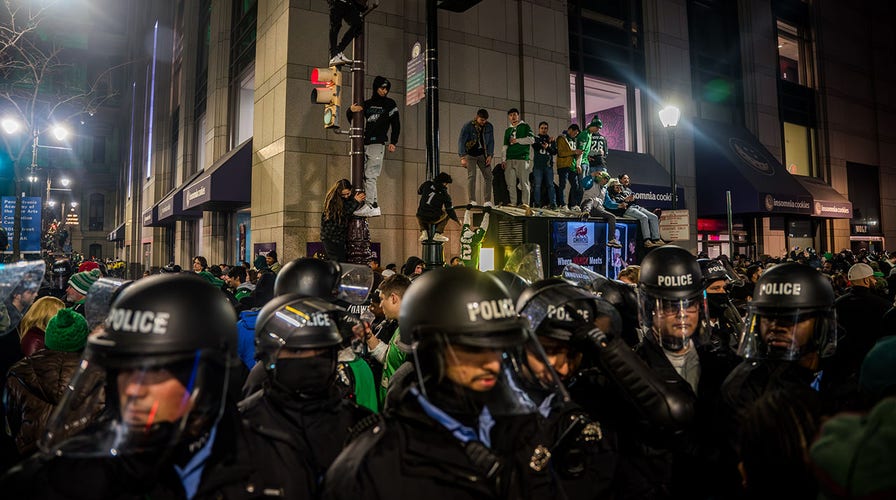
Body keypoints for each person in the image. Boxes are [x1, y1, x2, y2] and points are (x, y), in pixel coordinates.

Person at [323, 267, 569, 499]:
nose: (493, 364)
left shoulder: (522, 428)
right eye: (473, 350)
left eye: (500, 349)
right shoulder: (373, 464)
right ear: (430, 353)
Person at [1, 273, 255, 498]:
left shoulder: (269, 465)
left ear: (207, 376)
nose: (133, 389)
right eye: (122, 370)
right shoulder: (70, 472)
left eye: (155, 372)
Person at [717, 263, 840, 496]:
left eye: (791, 319)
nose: (776, 327)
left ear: (821, 323)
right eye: (768, 318)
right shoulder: (744, 385)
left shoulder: (842, 375)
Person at [634, 245, 741, 498]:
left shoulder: (720, 360)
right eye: (670, 306)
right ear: (651, 309)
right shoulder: (635, 366)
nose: (682, 314)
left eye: (689, 304)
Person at [239, 294, 372, 497]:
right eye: (298, 352)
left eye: (322, 351)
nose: (312, 361)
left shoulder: (361, 426)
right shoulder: (242, 428)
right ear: (271, 357)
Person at [5, 308, 101, 457]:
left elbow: (12, 420)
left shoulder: (19, 372)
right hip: (79, 459)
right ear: (83, 340)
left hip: (30, 457)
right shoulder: (100, 376)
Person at [349, 75, 400, 218]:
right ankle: (374, 205)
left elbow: (396, 123)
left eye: (386, 89)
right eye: (382, 88)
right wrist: (350, 110)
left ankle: (370, 204)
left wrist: (393, 142)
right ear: (376, 87)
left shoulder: (390, 103)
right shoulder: (368, 104)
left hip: (378, 143)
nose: (384, 91)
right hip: (365, 142)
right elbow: (353, 117)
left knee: (371, 175)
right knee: (366, 175)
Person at [360, 273, 411, 409]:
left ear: (394, 298)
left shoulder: (412, 333)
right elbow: (390, 358)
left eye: (382, 299)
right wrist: (369, 336)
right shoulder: (402, 327)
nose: (380, 304)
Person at [614, 173, 666, 247]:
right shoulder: (618, 188)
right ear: (620, 180)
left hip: (636, 207)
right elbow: (618, 201)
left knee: (654, 217)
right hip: (626, 209)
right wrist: (626, 200)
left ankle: (656, 239)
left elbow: (634, 201)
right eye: (625, 178)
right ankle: (647, 240)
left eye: (628, 178)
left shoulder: (629, 189)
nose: (627, 180)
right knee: (644, 217)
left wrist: (633, 199)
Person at [321, 178, 366, 261]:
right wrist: (355, 202)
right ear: (338, 193)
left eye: (347, 194)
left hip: (338, 237)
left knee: (340, 261)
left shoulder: (345, 199)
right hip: (331, 238)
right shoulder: (333, 201)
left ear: (351, 190)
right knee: (337, 262)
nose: (346, 196)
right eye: (343, 195)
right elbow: (343, 214)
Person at [458, 108, 495, 205]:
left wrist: (490, 155)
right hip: (470, 154)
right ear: (477, 117)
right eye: (482, 120)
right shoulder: (468, 126)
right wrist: (462, 157)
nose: (484, 122)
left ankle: (487, 200)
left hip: (483, 154)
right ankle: (472, 200)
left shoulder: (489, 127)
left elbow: (491, 141)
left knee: (489, 176)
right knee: (472, 176)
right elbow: (461, 141)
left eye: (485, 120)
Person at [500, 108, 535, 207]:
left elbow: (532, 140)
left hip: (522, 158)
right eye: (511, 115)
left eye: (515, 114)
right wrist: (503, 159)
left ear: (518, 116)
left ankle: (525, 203)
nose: (513, 117)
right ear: (508, 117)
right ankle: (513, 202)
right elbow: (505, 146)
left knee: (524, 182)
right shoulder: (508, 130)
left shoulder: (525, 126)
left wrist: (517, 140)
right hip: (510, 158)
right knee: (510, 183)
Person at [580, 171, 622, 248]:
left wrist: (619, 205)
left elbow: (608, 203)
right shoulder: (591, 183)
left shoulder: (604, 190)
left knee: (612, 217)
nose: (606, 181)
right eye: (605, 179)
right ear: (600, 178)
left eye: (607, 180)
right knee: (590, 200)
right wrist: (592, 175)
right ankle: (585, 214)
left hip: (597, 210)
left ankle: (611, 240)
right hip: (586, 205)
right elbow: (583, 183)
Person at [416, 172, 460, 242]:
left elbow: (419, 191)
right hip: (433, 218)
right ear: (444, 183)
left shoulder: (427, 184)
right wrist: (457, 220)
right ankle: (438, 233)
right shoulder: (445, 194)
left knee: (421, 212)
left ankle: (424, 232)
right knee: (446, 213)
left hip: (421, 216)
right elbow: (450, 211)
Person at [327, 0, 366, 66]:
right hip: (337, 2)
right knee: (335, 26)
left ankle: (339, 51)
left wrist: (360, 7)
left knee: (358, 25)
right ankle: (333, 55)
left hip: (348, 4)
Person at [556, 124, 583, 211]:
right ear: (570, 130)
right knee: (562, 185)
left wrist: (577, 164)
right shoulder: (561, 138)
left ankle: (573, 205)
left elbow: (574, 153)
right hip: (563, 165)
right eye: (574, 133)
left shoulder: (574, 140)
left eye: (576, 134)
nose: (575, 135)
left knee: (575, 185)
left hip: (572, 166)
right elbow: (561, 153)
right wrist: (574, 152)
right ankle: (562, 204)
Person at [531, 121, 557, 209]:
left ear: (547, 129)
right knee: (537, 185)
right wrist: (544, 143)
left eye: (545, 128)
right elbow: (535, 147)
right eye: (542, 128)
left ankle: (553, 203)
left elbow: (554, 152)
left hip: (548, 166)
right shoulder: (535, 138)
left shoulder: (551, 139)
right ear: (539, 129)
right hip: (538, 166)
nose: (544, 130)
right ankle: (537, 203)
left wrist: (548, 147)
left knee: (551, 185)